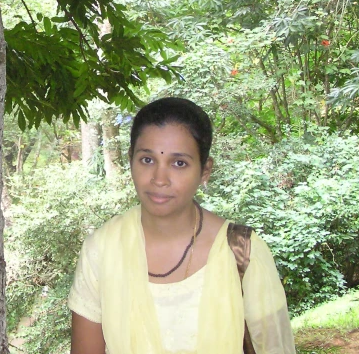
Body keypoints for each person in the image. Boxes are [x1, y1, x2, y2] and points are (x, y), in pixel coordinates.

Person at [68, 97, 296, 354]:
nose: (159, 179)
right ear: (130, 159)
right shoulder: (101, 250)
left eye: (179, 163)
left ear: (205, 170)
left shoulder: (243, 252)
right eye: (147, 160)